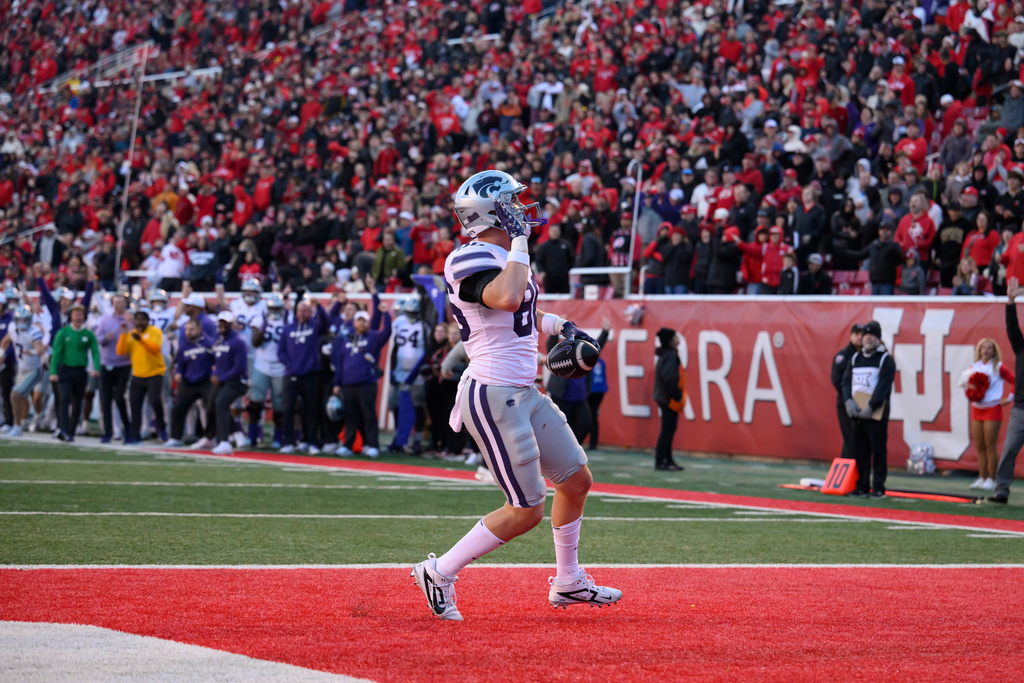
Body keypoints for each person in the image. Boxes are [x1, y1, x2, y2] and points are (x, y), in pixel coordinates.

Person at [412, 170, 621, 621]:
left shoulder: (503, 255)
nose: (521, 209)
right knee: (526, 510)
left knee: (576, 479)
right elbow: (506, 297)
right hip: (492, 394)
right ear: (489, 210)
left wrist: (561, 326)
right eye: (510, 203)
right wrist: (521, 242)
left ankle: (568, 582)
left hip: (523, 391)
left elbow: (523, 308)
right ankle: (440, 571)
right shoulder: (466, 258)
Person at [842, 320, 896, 498]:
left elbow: (883, 385)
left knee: (878, 451)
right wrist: (848, 401)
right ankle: (861, 485)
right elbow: (845, 381)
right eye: (866, 335)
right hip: (857, 413)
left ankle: (878, 486)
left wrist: (872, 406)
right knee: (859, 451)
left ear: (879, 338)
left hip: (876, 414)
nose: (868, 338)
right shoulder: (856, 358)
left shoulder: (885, 359)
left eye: (872, 335)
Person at [331, 307, 392, 458]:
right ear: (354, 322)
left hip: (366, 383)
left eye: (364, 321)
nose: (362, 323)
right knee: (350, 416)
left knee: (368, 415)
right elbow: (340, 363)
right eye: (359, 320)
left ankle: (372, 445)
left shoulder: (373, 337)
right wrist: (337, 383)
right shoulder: (347, 340)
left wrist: (385, 314)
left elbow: (387, 332)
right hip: (348, 384)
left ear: (368, 323)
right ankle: (348, 445)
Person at [960, 338, 1014, 491]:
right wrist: (970, 392)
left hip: (992, 408)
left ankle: (992, 478)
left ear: (994, 350)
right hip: (977, 408)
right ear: (979, 350)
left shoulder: (999, 367)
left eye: (989, 348)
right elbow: (966, 384)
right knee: (980, 446)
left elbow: (1015, 381)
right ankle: (981, 477)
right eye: (983, 347)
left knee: (991, 446)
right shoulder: (974, 367)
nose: (986, 350)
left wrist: (1009, 399)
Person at [277, 298, 328, 454]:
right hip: (291, 375)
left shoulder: (314, 327)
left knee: (311, 409)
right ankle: (288, 442)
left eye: (306, 310)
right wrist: (289, 365)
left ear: (310, 312)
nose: (302, 313)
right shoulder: (288, 329)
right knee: (288, 409)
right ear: (295, 312)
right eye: (300, 310)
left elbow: (325, 323)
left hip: (310, 375)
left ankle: (311, 441)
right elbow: (281, 352)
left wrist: (318, 306)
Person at [990, 277, 1024, 504]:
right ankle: (1001, 490)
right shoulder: (1022, 348)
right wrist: (1010, 301)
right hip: (1021, 409)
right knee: (1009, 449)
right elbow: (1012, 327)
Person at [49, 303, 100, 442]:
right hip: (65, 370)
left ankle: (71, 431)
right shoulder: (63, 332)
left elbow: (95, 352)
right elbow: (56, 353)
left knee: (77, 402)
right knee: (64, 399)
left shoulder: (88, 334)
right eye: (75, 314)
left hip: (80, 371)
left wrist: (96, 368)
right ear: (71, 316)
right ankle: (63, 428)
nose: (78, 317)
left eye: (80, 314)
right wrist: (53, 371)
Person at [117, 309, 167, 444]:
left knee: (155, 400)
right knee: (135, 406)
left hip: (155, 373)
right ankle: (135, 435)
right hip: (138, 374)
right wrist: (123, 335)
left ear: (147, 321)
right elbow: (121, 351)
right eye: (137, 320)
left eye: (142, 320)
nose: (139, 323)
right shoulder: (132, 333)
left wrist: (141, 341)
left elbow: (155, 348)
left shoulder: (155, 331)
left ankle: (162, 428)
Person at [165, 318, 216, 448]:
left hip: (206, 381)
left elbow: (217, 360)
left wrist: (215, 370)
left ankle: (211, 437)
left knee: (212, 408)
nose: (189, 332)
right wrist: (178, 373)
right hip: (188, 382)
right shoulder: (184, 346)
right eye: (187, 329)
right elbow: (180, 364)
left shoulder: (209, 343)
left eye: (192, 329)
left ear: (199, 329)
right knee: (178, 409)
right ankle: (175, 437)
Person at [248, 293, 288, 449]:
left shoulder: (288, 320)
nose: (275, 311)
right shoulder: (259, 320)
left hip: (281, 367)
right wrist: (263, 326)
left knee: (279, 404)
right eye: (272, 308)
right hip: (262, 364)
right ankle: (252, 436)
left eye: (277, 308)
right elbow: (255, 342)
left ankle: (278, 437)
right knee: (255, 401)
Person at [0, 306, 47, 437]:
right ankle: (18, 424)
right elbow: (5, 341)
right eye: (19, 319)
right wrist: (2, 354)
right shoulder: (12, 328)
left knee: (15, 395)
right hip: (21, 369)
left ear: (29, 319)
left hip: (34, 370)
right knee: (18, 397)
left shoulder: (34, 332)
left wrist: (31, 351)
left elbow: (41, 350)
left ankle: (18, 427)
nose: (21, 322)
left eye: (24, 319)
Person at [210, 311, 249, 455]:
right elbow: (217, 363)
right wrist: (215, 374)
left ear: (232, 324)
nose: (222, 325)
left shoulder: (238, 342)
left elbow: (239, 368)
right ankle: (237, 433)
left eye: (225, 323)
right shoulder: (219, 340)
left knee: (221, 403)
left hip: (237, 381)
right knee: (215, 405)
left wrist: (221, 377)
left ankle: (224, 441)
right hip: (224, 380)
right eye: (220, 322)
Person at [95, 293, 132, 443]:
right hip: (107, 362)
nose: (118, 305)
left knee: (120, 397)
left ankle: (127, 431)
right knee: (106, 399)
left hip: (124, 364)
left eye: (121, 303)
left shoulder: (130, 320)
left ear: (125, 304)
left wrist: (130, 327)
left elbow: (137, 335)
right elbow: (97, 338)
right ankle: (108, 432)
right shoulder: (105, 320)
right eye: (115, 303)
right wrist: (105, 338)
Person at [653, 326, 685, 471]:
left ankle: (668, 459)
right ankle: (661, 461)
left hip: (664, 396)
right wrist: (677, 394)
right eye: (676, 336)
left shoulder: (666, 354)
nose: (678, 339)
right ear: (671, 341)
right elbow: (669, 377)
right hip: (668, 398)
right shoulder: (671, 356)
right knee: (667, 429)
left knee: (669, 429)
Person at [831, 324, 865, 461]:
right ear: (850, 336)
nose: (859, 337)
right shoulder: (843, 356)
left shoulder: (867, 355)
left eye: (861, 334)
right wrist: (850, 398)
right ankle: (847, 473)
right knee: (850, 437)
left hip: (863, 404)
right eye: (856, 334)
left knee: (858, 439)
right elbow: (837, 380)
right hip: (846, 404)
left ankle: (847, 473)